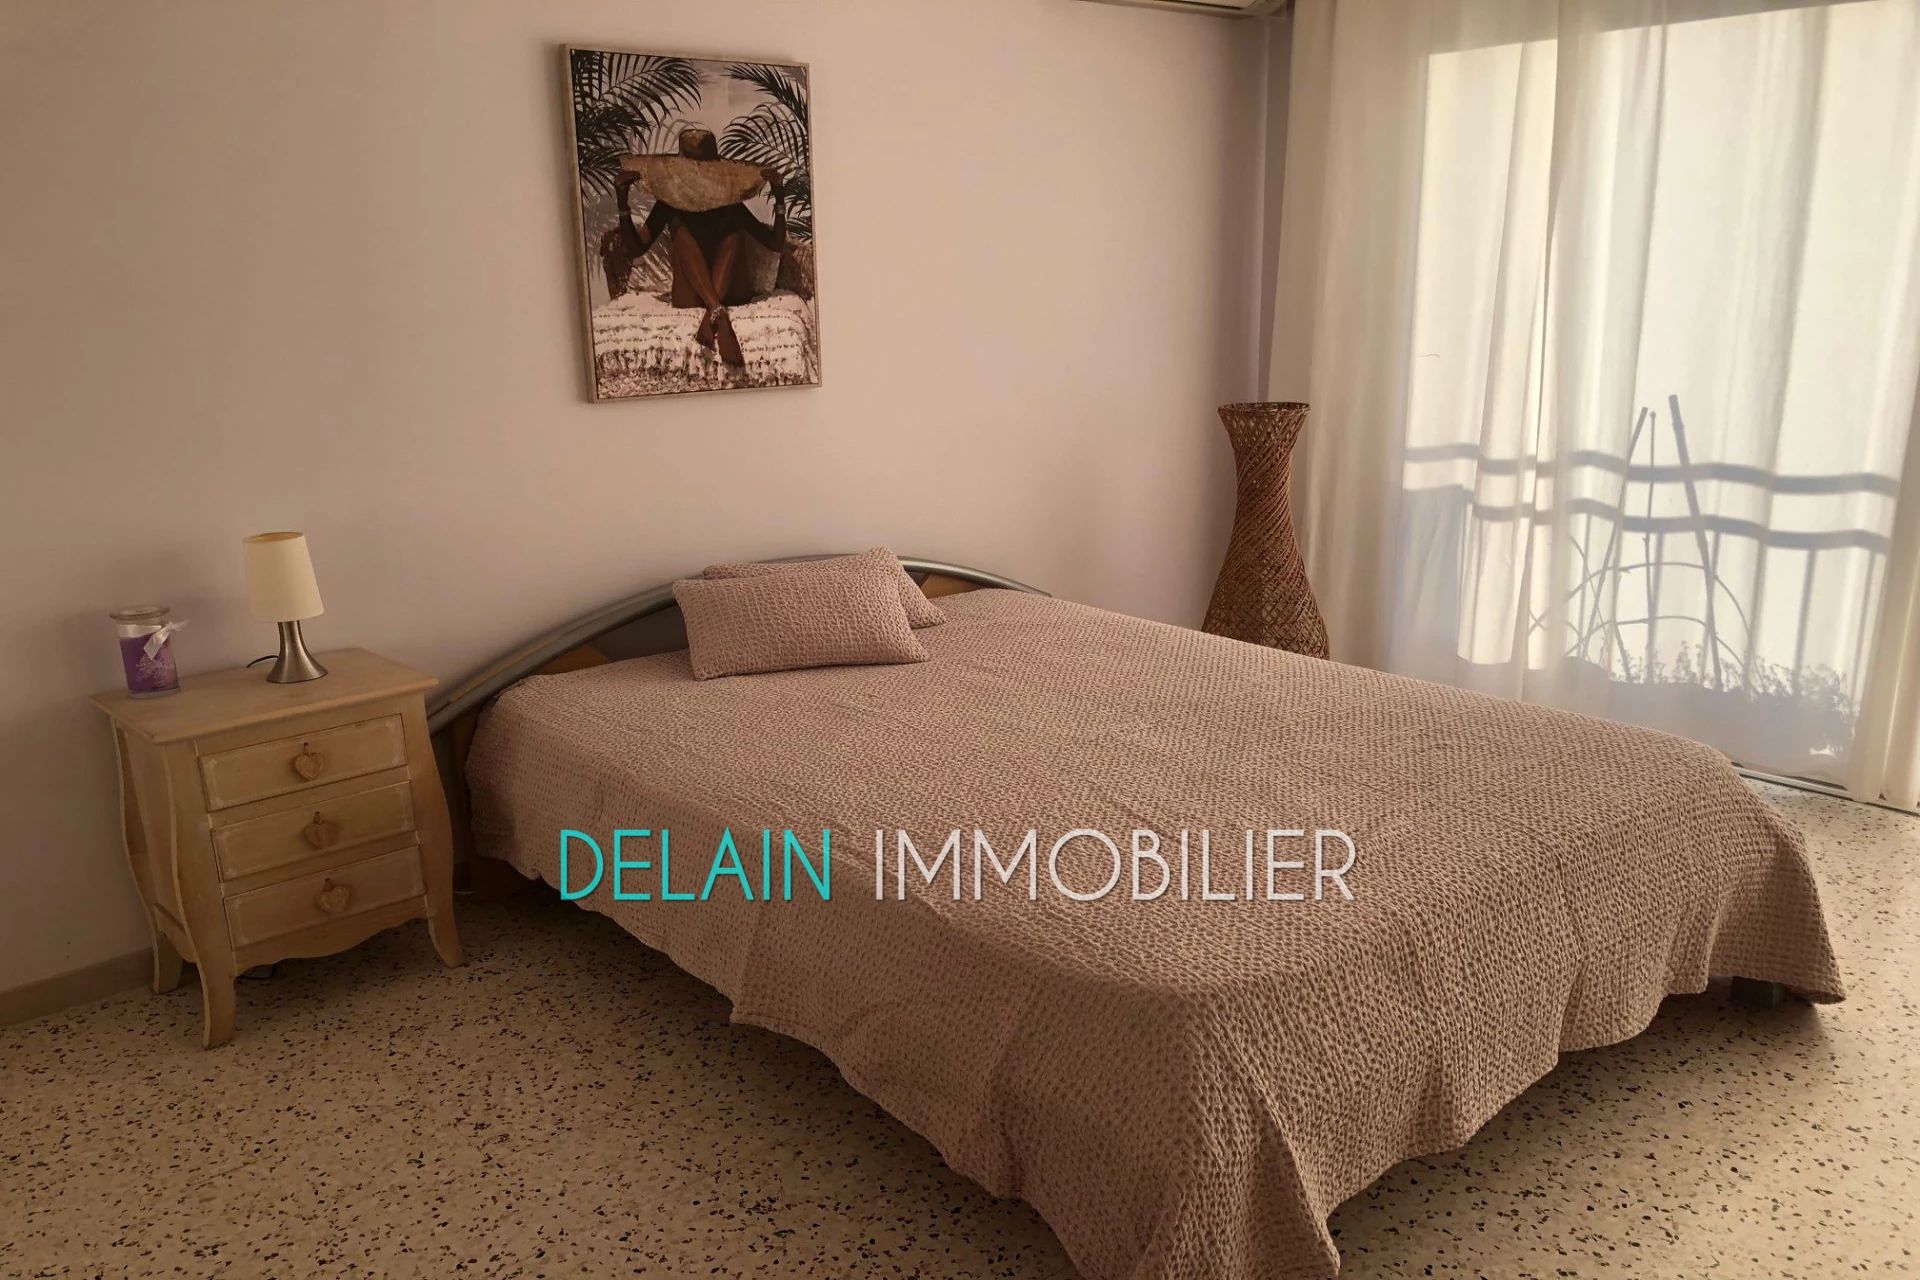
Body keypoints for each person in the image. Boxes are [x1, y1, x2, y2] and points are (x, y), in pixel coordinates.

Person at [599, 127, 788, 367]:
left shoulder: (730, 204)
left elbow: (774, 243)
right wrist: (622, 202)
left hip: (733, 294)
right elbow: (637, 249)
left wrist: (779, 199)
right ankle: (718, 314)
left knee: (734, 233)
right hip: (689, 295)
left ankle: (714, 312)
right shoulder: (670, 204)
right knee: (680, 229)